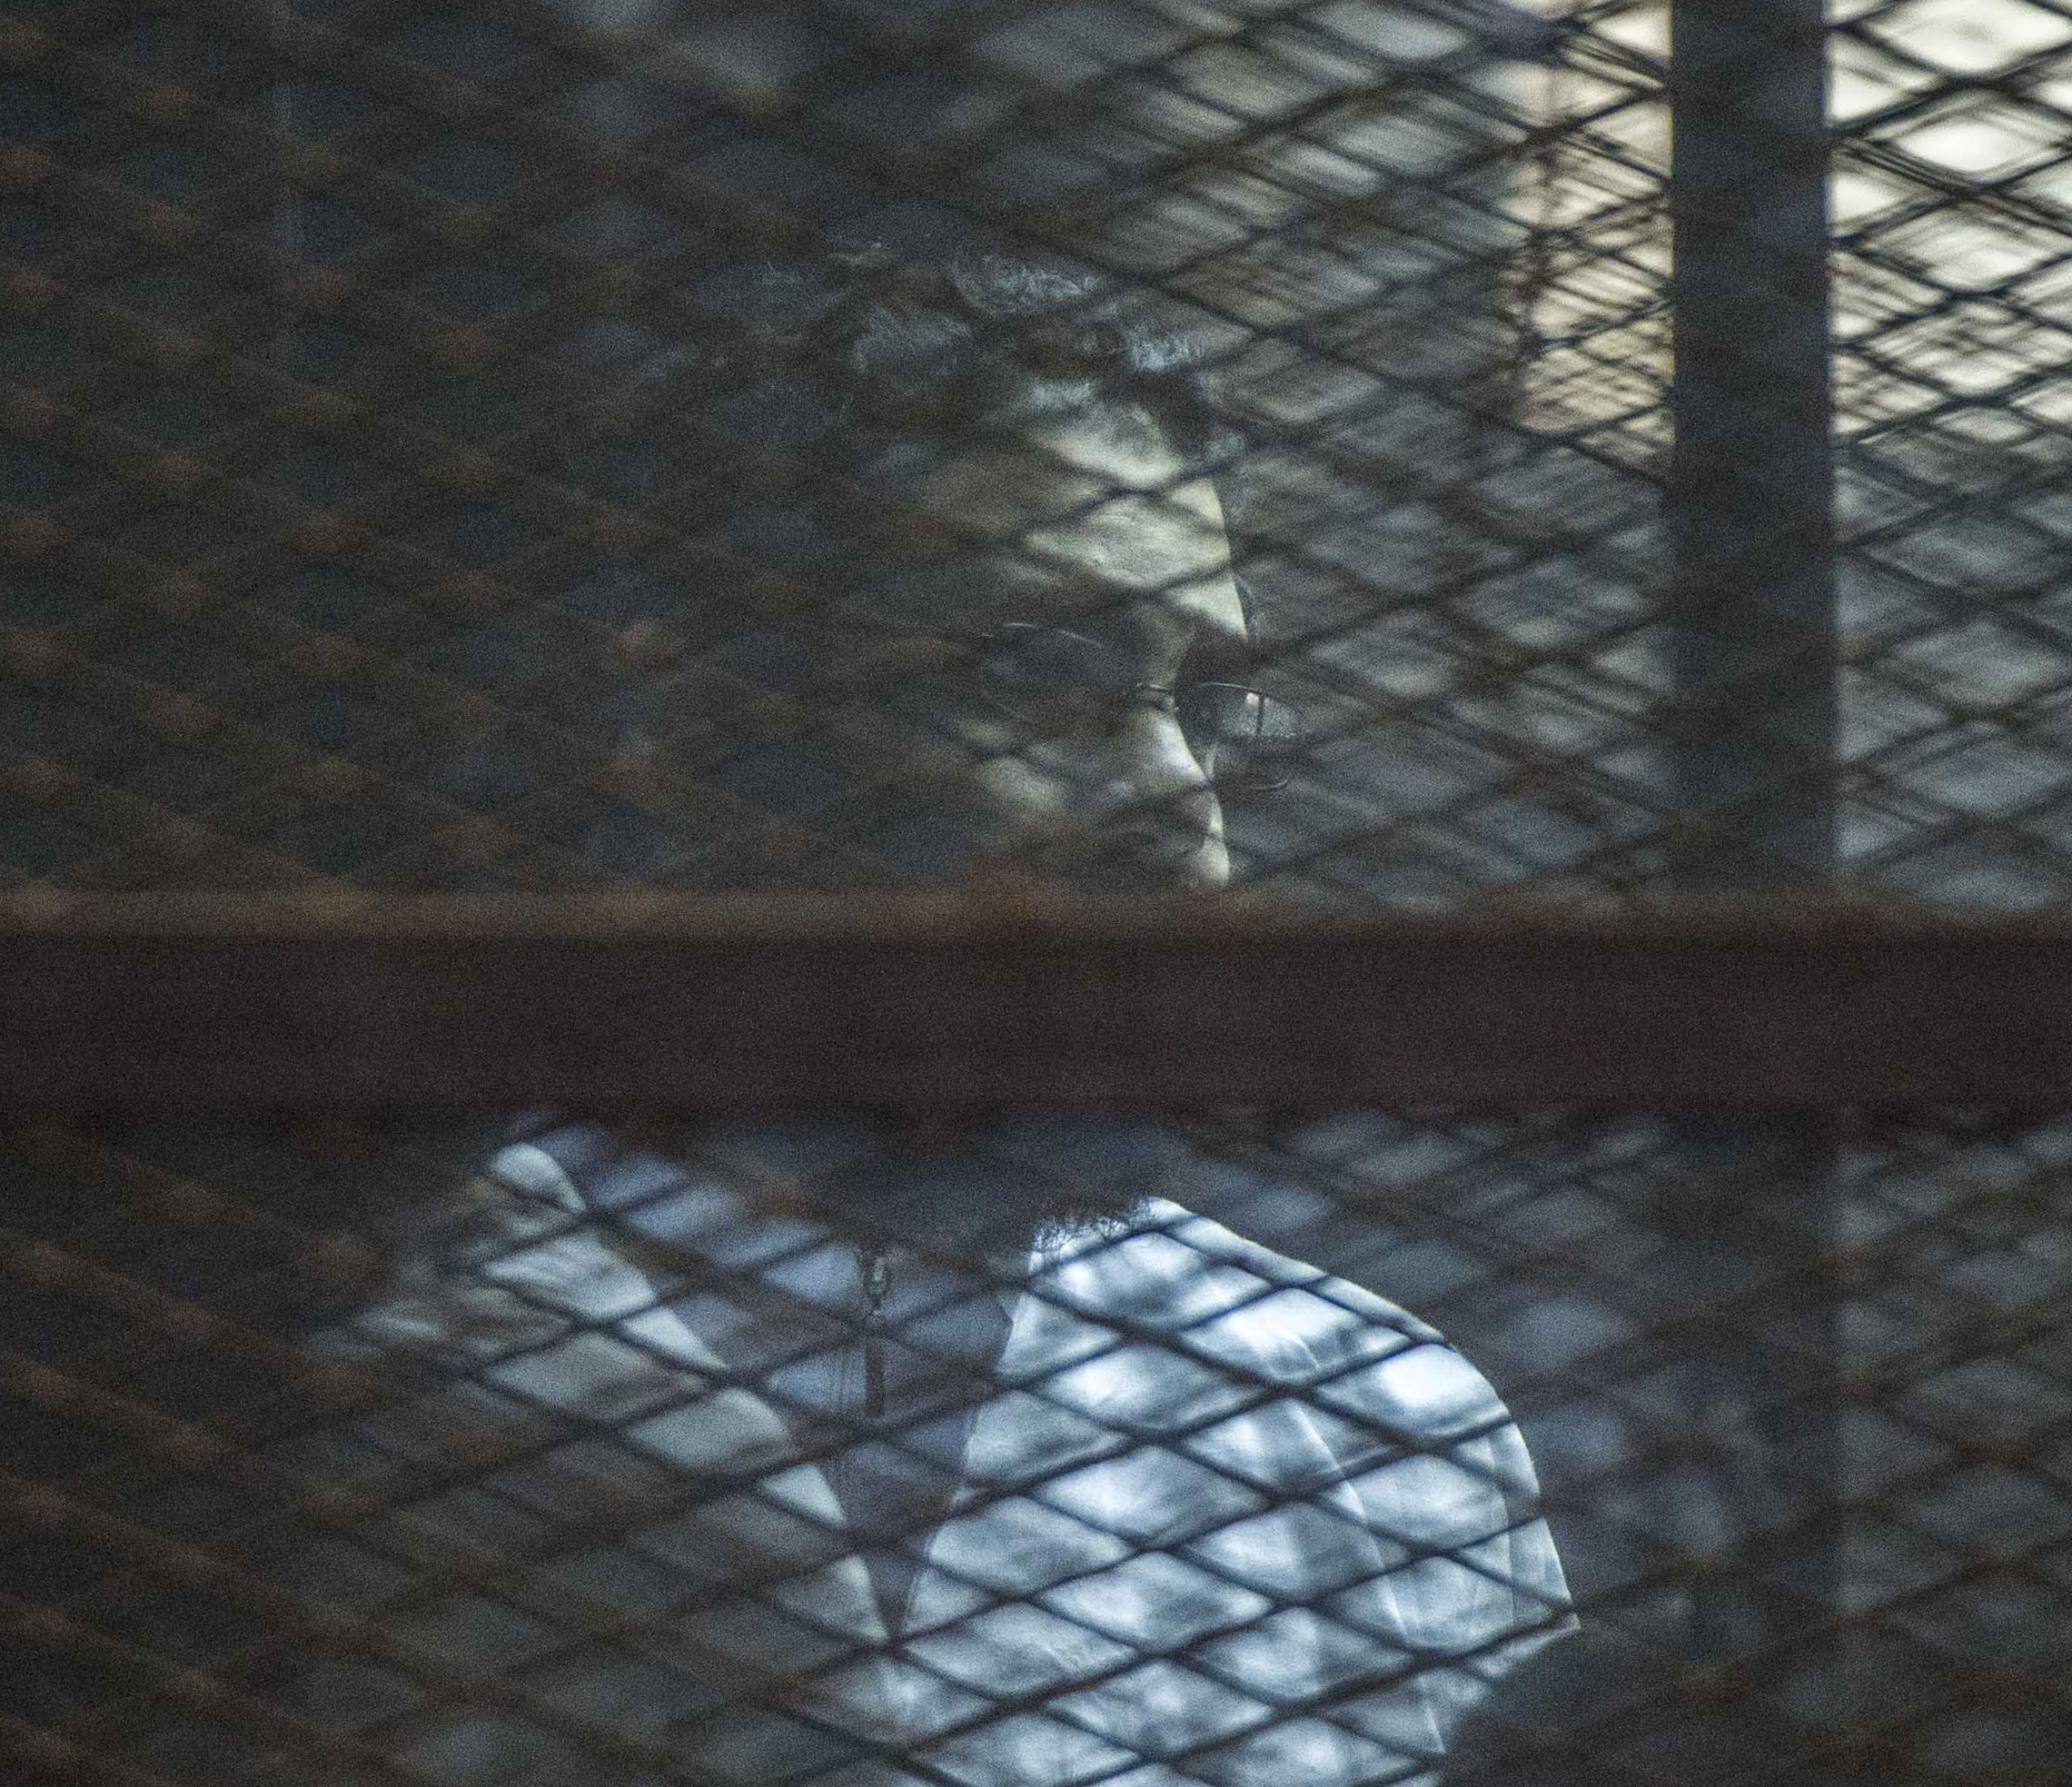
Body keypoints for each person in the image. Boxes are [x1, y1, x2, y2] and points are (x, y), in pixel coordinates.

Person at [278, 250, 1573, 1787]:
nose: (1178, 806)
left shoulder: (1364, 1422)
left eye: (1208, 707)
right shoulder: (333, 1366)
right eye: (1035, 668)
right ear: (688, 718)